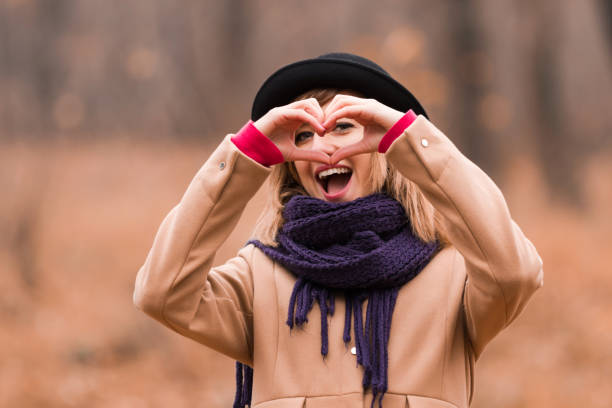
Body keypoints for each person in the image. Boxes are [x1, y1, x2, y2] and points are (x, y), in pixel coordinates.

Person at [133, 53, 543, 408]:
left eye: (345, 127)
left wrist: (412, 142)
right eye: (304, 135)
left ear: (386, 149)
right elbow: (163, 293)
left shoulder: (454, 275)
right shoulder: (258, 277)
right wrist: (245, 157)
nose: (324, 148)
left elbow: (515, 273)